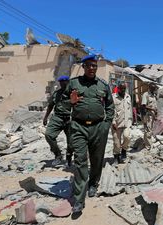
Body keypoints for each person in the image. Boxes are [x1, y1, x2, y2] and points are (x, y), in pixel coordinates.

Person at [67, 55, 115, 215]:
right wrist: (71, 103)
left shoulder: (103, 85)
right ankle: (79, 200)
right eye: (89, 65)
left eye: (94, 65)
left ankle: (93, 183)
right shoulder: (73, 83)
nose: (92, 68)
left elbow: (110, 106)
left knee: (97, 158)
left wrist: (106, 125)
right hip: (79, 126)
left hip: (98, 127)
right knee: (80, 160)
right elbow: (61, 102)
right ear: (83, 67)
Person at [43, 75, 73, 166]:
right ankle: (58, 155)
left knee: (71, 141)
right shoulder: (56, 94)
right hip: (58, 118)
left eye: (65, 81)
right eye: (61, 82)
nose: (63, 83)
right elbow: (50, 105)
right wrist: (45, 117)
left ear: (68, 82)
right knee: (49, 135)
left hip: (70, 118)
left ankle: (68, 158)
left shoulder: (74, 93)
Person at [112, 83, 132, 164]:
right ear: (118, 88)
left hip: (127, 122)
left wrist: (131, 120)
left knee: (127, 137)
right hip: (117, 123)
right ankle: (116, 157)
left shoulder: (128, 96)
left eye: (124, 88)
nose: (123, 90)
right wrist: (113, 122)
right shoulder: (113, 97)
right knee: (116, 142)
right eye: (121, 88)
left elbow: (129, 109)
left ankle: (124, 150)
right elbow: (111, 110)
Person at [141, 83, 158, 150]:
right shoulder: (146, 95)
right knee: (148, 130)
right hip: (147, 115)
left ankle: (146, 143)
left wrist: (155, 113)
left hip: (152, 115)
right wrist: (152, 109)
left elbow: (155, 105)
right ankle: (148, 146)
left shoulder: (153, 95)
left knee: (149, 130)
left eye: (155, 89)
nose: (154, 90)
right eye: (153, 88)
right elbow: (144, 106)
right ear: (150, 88)